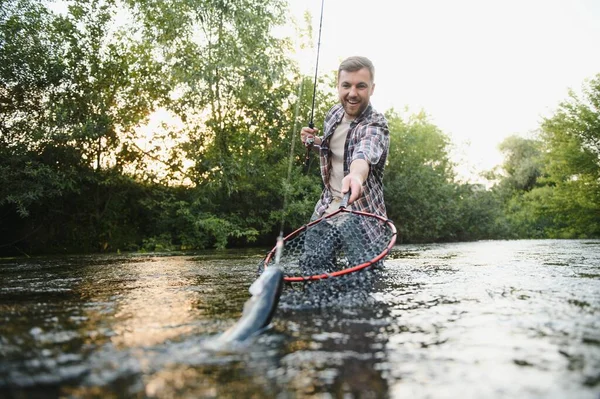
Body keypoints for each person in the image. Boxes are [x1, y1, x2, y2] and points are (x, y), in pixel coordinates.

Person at [298, 56, 390, 274]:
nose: (352, 93)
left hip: (362, 215)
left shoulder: (376, 123)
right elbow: (334, 149)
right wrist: (314, 141)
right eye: (346, 85)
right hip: (327, 207)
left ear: (372, 89)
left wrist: (357, 177)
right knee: (312, 270)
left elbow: (364, 152)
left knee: (366, 279)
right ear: (338, 86)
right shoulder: (334, 113)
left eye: (361, 86)